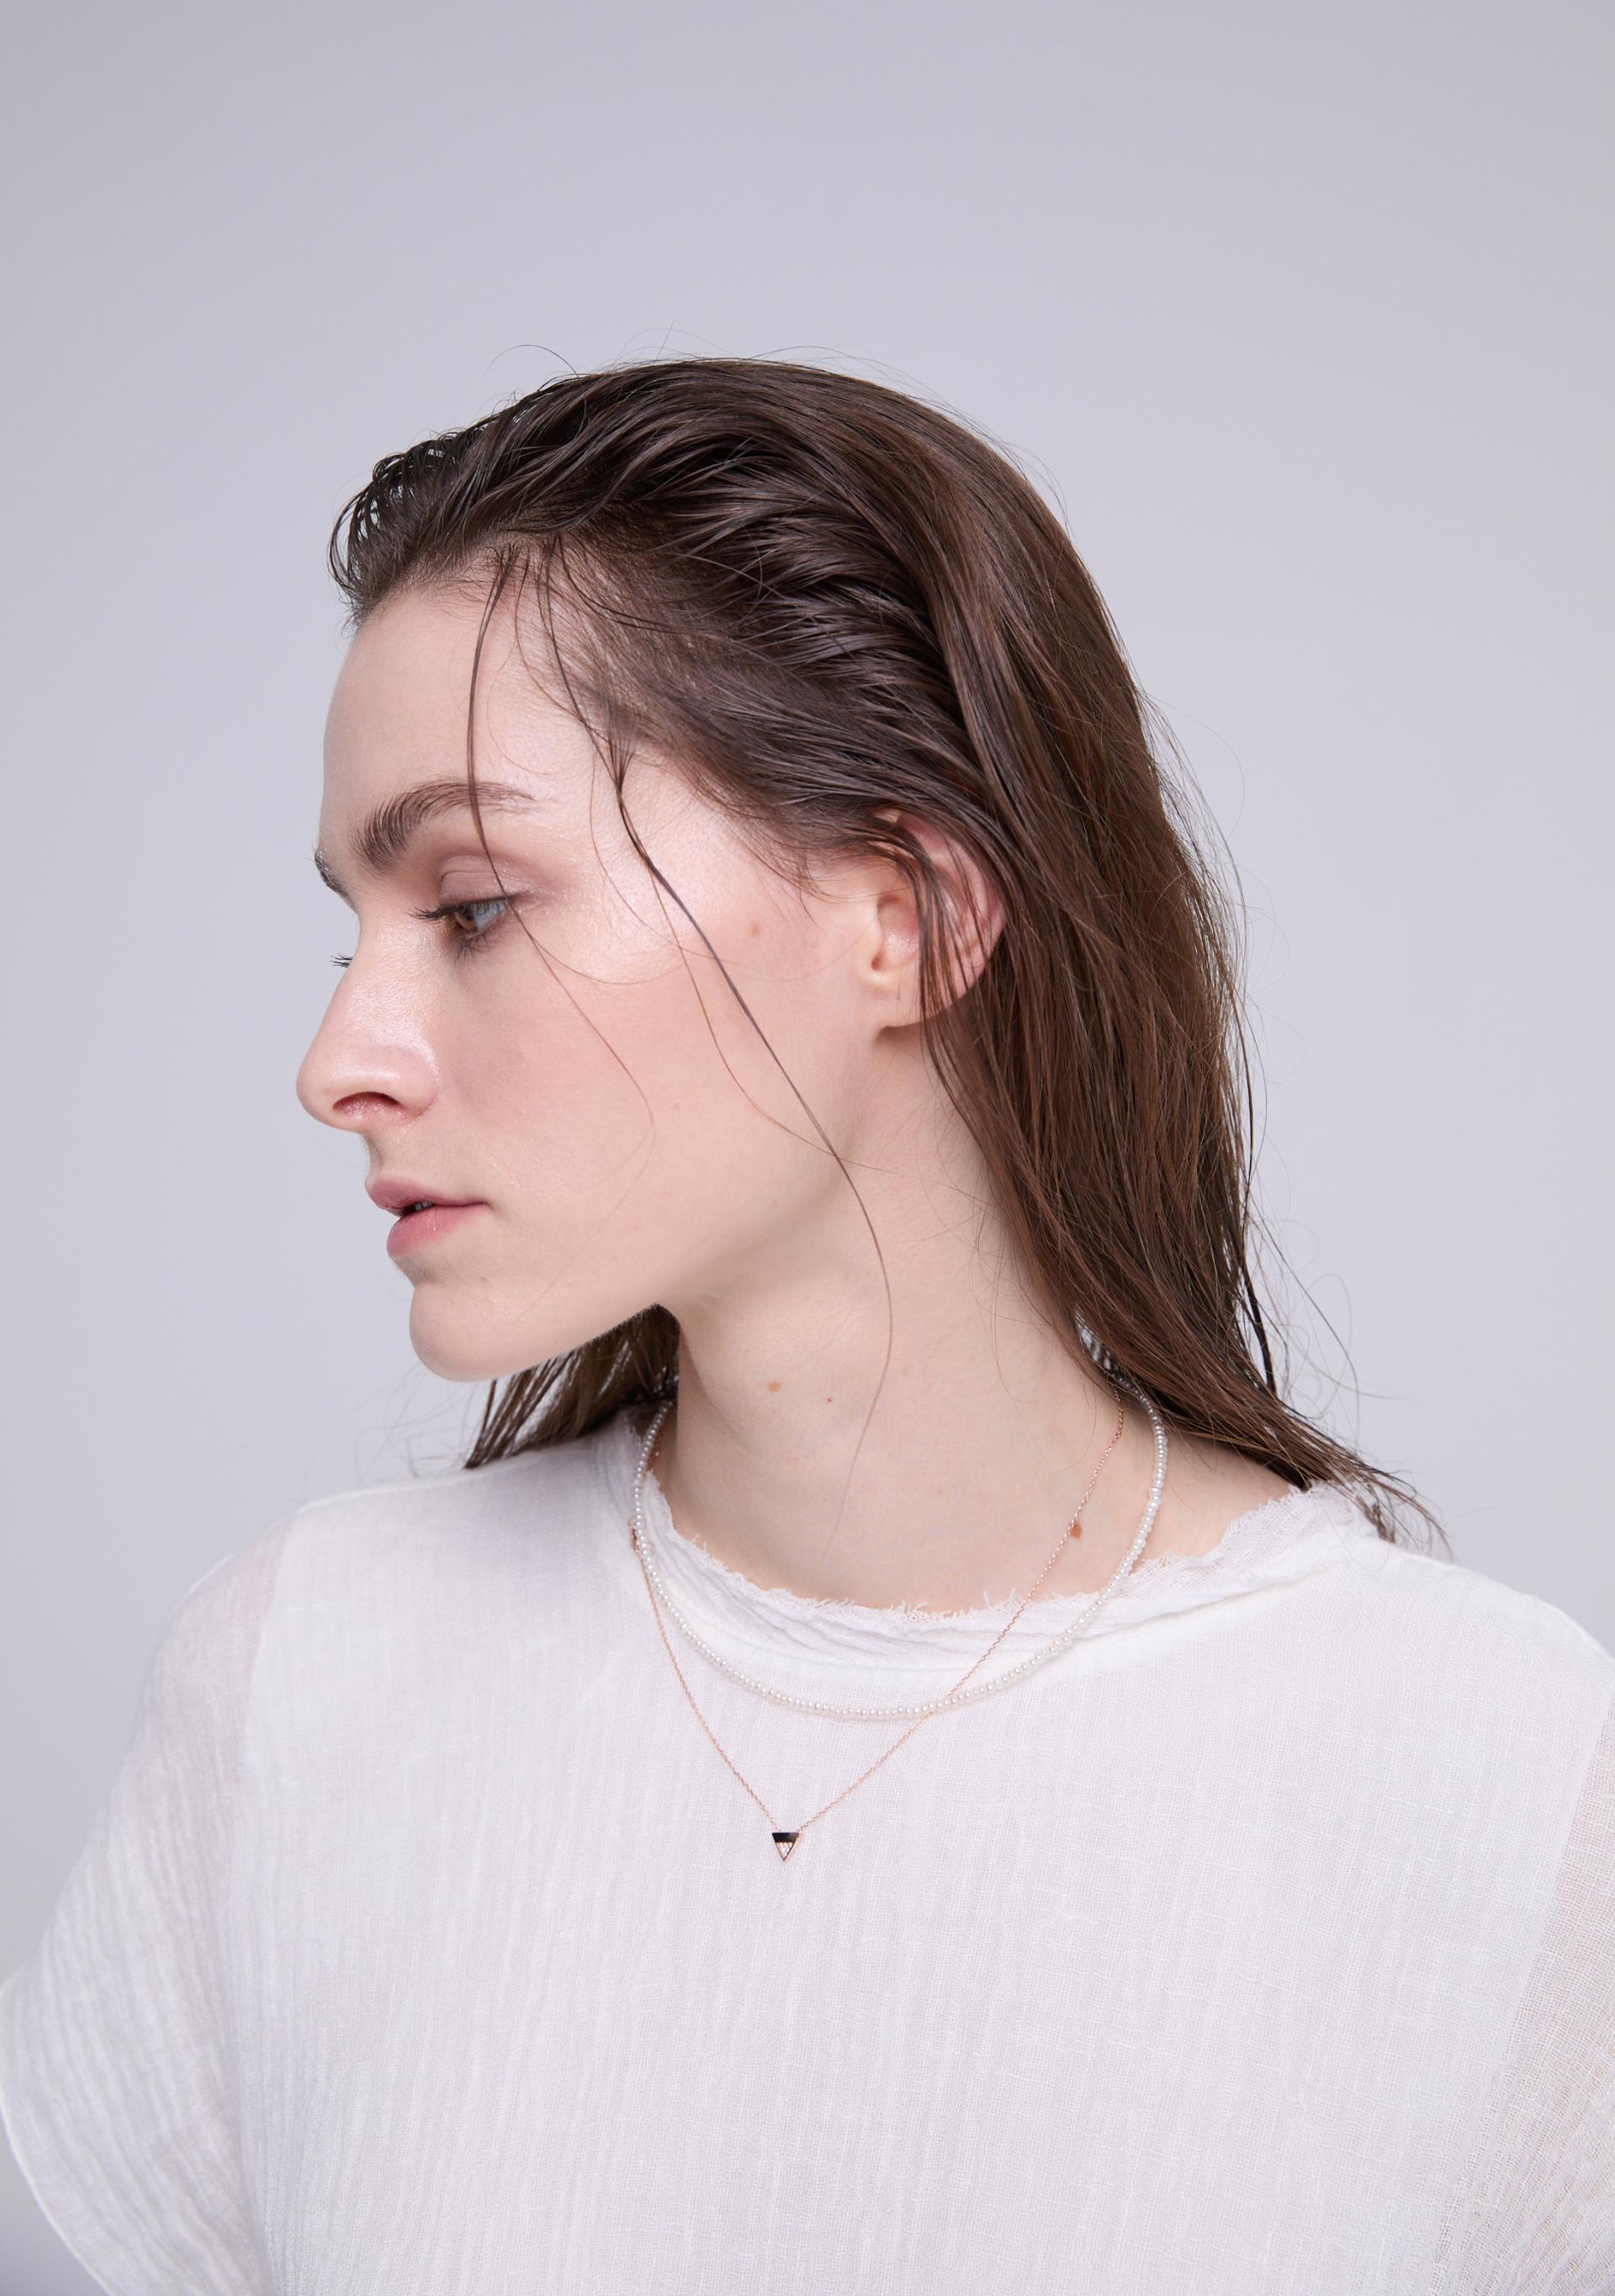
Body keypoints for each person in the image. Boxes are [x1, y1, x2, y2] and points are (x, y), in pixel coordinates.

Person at [1, 358, 1610, 2293]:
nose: (339, 1058)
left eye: (475, 905)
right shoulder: (299, 1686)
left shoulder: (1513, 1785)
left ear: (905, 916)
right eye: (355, 923)